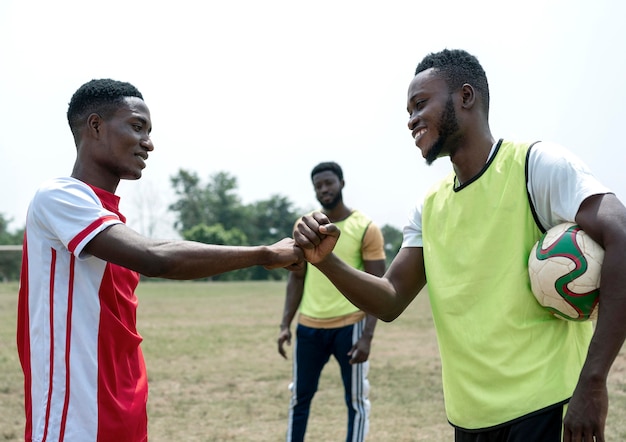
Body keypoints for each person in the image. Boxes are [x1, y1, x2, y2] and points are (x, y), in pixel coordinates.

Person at [293, 49, 626, 442]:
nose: (411, 119)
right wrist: (326, 262)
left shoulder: (536, 165)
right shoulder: (429, 207)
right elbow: (390, 298)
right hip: (469, 419)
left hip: (549, 404)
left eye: (421, 104)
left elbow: (620, 234)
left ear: (466, 96)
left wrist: (593, 380)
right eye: (408, 110)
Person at [16, 78, 303, 442]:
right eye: (136, 127)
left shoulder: (109, 218)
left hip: (124, 414)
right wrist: (264, 254)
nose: (148, 143)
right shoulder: (58, 197)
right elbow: (157, 259)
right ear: (95, 126)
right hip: (76, 422)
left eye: (149, 132)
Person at [277, 161, 386, 442]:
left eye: (328, 183)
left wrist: (367, 338)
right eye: (318, 186)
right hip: (309, 327)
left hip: (350, 328)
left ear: (342, 183)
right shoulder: (307, 227)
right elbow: (297, 278)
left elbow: (379, 287)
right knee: (299, 398)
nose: (324, 189)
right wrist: (285, 324)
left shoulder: (366, 228)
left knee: (356, 401)